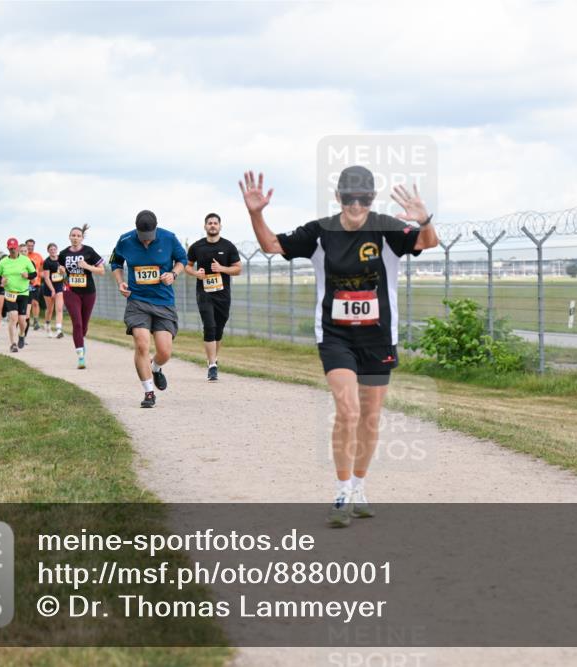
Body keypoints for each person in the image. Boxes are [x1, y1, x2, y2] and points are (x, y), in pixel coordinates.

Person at [240, 167, 438, 527]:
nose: (356, 205)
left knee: (371, 416)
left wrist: (424, 220)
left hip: (378, 336)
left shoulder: (386, 229)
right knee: (347, 411)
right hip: (336, 335)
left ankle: (360, 487)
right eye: (350, 198)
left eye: (364, 198)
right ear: (339, 198)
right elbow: (271, 245)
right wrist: (256, 214)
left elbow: (427, 242)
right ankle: (342, 491)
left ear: (372, 199)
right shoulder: (320, 232)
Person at [109, 210, 187, 407]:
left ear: (156, 229)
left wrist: (173, 274)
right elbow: (115, 262)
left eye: (149, 238)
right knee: (142, 344)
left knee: (165, 351)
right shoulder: (125, 240)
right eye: (143, 238)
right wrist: (120, 282)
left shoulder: (169, 238)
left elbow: (182, 260)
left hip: (163, 301)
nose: (146, 242)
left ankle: (156, 367)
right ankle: (149, 392)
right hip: (137, 301)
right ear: (136, 231)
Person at [185, 213, 242, 381]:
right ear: (205, 226)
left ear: (220, 226)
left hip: (223, 294)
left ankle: (213, 359)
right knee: (209, 326)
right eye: (209, 223)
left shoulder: (228, 246)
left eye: (215, 223)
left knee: (219, 328)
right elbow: (187, 266)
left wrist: (222, 268)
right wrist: (196, 273)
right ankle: (212, 365)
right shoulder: (196, 247)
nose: (212, 225)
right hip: (204, 293)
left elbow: (238, 269)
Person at [60, 224, 105, 369]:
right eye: (73, 235)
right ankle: (80, 356)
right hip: (70, 290)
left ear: (82, 238)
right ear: (69, 237)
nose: (75, 238)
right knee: (77, 323)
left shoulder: (89, 251)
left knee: (84, 326)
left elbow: (101, 271)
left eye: (78, 236)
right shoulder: (63, 254)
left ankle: (80, 341)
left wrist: (87, 266)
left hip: (88, 291)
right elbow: (61, 270)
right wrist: (61, 270)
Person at [0, 238, 37, 353]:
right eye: (11, 248)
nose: (13, 250)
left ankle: (22, 335)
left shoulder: (25, 260)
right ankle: (13, 344)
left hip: (23, 293)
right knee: (13, 317)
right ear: (8, 248)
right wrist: (1, 281)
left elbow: (34, 274)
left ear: (18, 248)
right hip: (10, 293)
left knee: (23, 320)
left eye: (14, 248)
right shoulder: (3, 262)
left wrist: (27, 275)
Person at [41, 243, 66, 339]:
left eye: (54, 249)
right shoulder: (47, 262)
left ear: (57, 250)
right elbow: (46, 278)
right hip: (49, 287)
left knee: (59, 308)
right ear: (48, 251)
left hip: (59, 286)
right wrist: (52, 290)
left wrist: (63, 271)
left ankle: (59, 329)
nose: (53, 251)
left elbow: (65, 274)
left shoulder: (61, 260)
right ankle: (47, 324)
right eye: (51, 249)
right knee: (50, 309)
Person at [25, 239, 45, 333]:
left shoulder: (38, 256)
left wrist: (41, 274)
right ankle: (25, 319)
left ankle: (36, 321)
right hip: (24, 284)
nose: (30, 247)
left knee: (35, 303)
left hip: (36, 283)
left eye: (32, 245)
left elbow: (41, 268)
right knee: (26, 303)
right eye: (28, 245)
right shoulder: (23, 256)